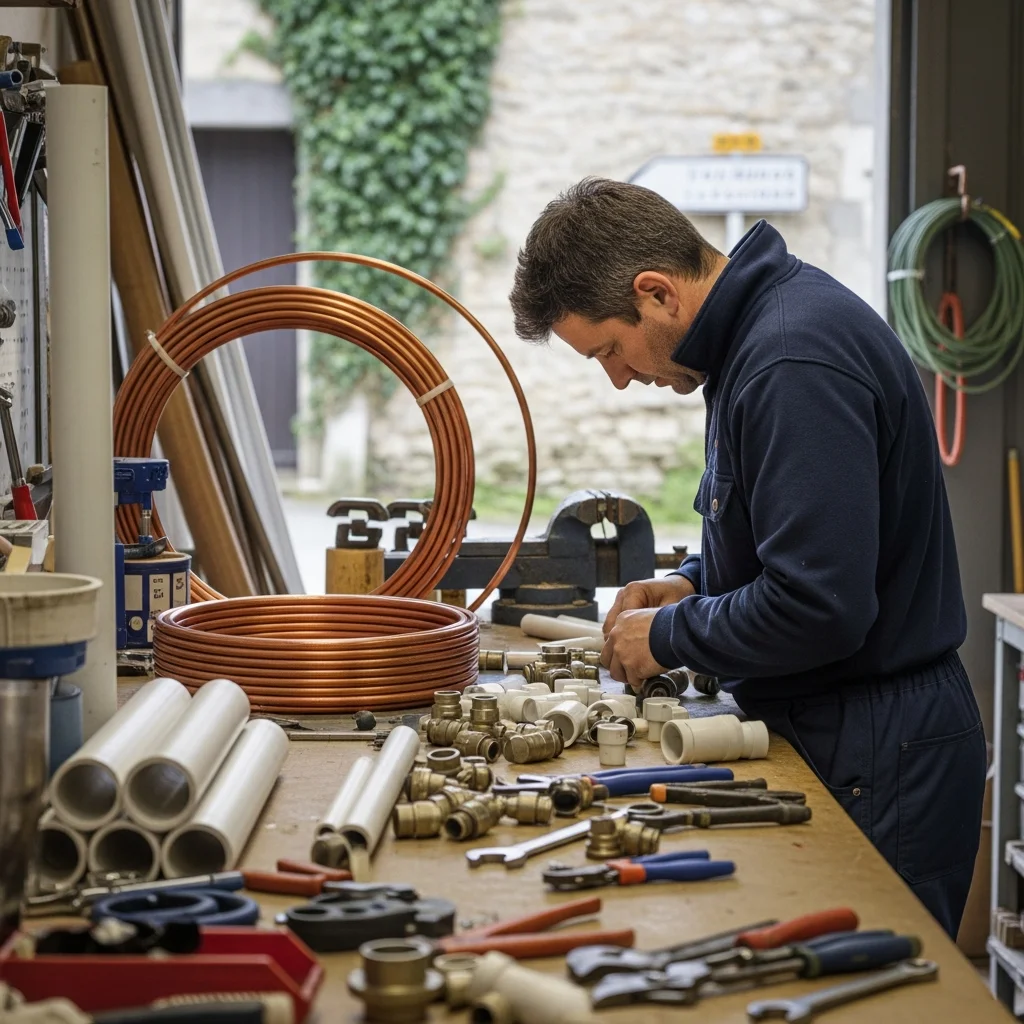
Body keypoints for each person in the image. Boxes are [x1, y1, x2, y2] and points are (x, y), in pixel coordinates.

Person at [507, 176, 986, 939]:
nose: (621, 379)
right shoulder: (752, 345)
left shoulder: (789, 361)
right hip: (842, 723)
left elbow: (817, 605)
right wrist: (688, 584)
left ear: (657, 293)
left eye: (609, 351)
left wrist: (667, 638)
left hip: (875, 743)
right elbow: (783, 546)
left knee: (875, 994)